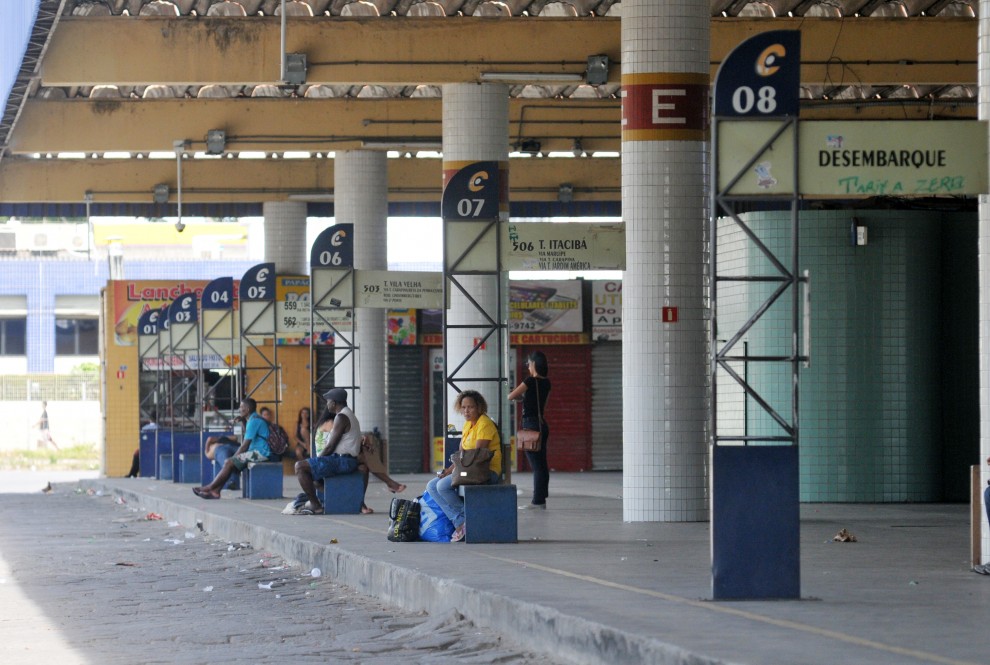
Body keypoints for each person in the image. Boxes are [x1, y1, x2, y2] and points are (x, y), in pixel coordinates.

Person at [425, 390, 501, 542]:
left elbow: (475, 456)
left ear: (479, 407)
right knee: (432, 485)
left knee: (442, 487)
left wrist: (454, 473)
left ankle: (464, 521)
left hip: (484, 471)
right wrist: (448, 471)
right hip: (469, 469)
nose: (466, 411)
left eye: (470, 407)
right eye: (464, 407)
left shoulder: (484, 424)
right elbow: (462, 456)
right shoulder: (468, 425)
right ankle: (461, 520)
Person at [293, 388, 362, 515]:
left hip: (342, 461)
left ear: (334, 403)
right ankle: (333, 500)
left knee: (300, 467)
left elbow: (330, 447)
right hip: (345, 460)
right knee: (312, 476)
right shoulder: (348, 414)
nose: (327, 404)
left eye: (328, 401)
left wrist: (317, 460)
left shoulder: (341, 417)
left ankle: (315, 505)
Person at [192, 398, 270, 500]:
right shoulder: (253, 418)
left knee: (229, 462)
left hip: (262, 453)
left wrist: (233, 459)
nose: (239, 409)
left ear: (247, 409)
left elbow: (244, 446)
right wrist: (243, 421)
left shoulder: (254, 421)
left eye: (241, 407)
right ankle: (215, 492)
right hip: (257, 452)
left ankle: (209, 487)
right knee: (229, 463)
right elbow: (249, 434)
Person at [508, 351, 551, 510]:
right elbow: (540, 404)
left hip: (531, 425)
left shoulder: (529, 380)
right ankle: (541, 498)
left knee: (537, 465)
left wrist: (519, 396)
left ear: (534, 364)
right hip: (541, 424)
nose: (527, 365)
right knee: (542, 464)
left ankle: (538, 502)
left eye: (528, 362)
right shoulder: (546, 382)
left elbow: (511, 396)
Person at [357, 429, 407, 515]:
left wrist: (361, 437)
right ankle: (389, 482)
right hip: (334, 459)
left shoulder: (342, 419)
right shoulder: (339, 419)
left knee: (365, 463)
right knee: (366, 458)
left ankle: (360, 503)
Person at [204, 416, 245, 491]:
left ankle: (231, 481)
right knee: (227, 460)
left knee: (240, 455)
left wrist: (220, 438)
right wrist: (211, 442)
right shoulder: (213, 446)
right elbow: (209, 441)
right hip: (221, 448)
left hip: (234, 446)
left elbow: (235, 438)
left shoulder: (225, 438)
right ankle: (231, 481)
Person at [127, 410, 159, 478]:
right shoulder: (159, 428)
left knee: (136, 453)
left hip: (147, 448)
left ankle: (133, 473)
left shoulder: (145, 428)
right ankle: (132, 473)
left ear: (150, 419)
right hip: (157, 448)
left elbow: (141, 441)